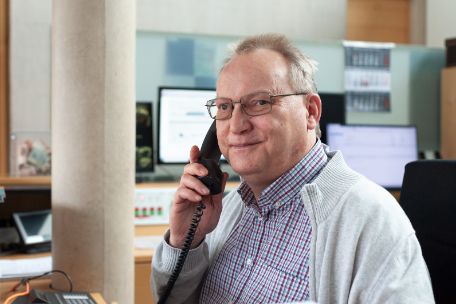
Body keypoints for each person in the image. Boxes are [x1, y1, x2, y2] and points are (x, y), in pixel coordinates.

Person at [151, 33, 434, 303]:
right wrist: (187, 242)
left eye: (260, 102)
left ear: (310, 112)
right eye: (225, 108)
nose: (236, 126)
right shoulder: (229, 209)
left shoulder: (372, 221)